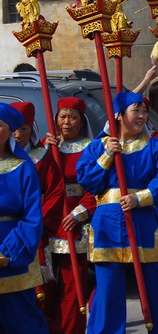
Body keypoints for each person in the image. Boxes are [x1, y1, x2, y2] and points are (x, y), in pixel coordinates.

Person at [76, 92, 158, 334]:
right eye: (136, 110)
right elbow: (86, 180)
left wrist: (140, 198)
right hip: (107, 224)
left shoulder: (154, 146)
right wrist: (106, 157)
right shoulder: (98, 146)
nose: (142, 116)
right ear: (119, 115)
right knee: (108, 290)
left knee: (157, 285)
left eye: (144, 111)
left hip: (142, 220)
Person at [42, 97, 95, 334]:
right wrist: (44, 149)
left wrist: (80, 212)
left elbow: (98, 187)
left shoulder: (92, 148)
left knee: (72, 285)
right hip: (49, 219)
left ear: (81, 122)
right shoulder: (48, 146)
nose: (66, 122)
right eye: (62, 116)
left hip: (77, 220)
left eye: (72, 117)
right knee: (47, 285)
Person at [11, 102, 65, 319]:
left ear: (32, 129)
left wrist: (37, 222)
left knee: (40, 291)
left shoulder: (42, 157)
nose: (17, 134)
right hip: (5, 230)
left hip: (34, 229)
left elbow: (54, 192)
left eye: (23, 128)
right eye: (13, 128)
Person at [0, 103, 49, 334]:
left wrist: (9, 252)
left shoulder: (23, 168)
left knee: (20, 320)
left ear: (10, 131)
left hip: (11, 251)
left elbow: (32, 216)